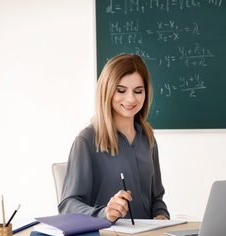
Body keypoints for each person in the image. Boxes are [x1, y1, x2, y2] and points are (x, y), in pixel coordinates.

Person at [58, 54, 170, 223]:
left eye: (138, 91)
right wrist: (105, 213)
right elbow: (67, 206)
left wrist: (162, 215)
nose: (131, 98)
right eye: (121, 90)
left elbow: (156, 198)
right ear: (107, 91)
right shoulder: (87, 140)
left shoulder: (148, 138)